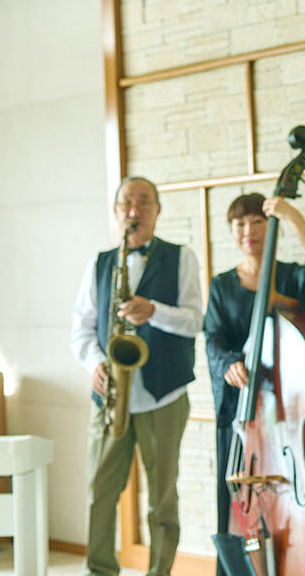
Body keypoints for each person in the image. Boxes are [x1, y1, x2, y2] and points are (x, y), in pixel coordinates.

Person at [203, 193, 305, 576]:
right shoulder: (221, 286)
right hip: (241, 415)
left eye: (257, 222)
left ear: (270, 226)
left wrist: (293, 216)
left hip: (288, 415)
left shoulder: (291, 278)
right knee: (234, 502)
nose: (248, 231)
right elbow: (213, 339)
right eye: (239, 224)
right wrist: (229, 363)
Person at [70, 176, 203, 576]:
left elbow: (196, 320)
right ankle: (100, 570)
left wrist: (155, 312)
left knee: (161, 499)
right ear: (116, 211)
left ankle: (159, 571)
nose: (135, 209)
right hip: (111, 394)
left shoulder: (182, 257)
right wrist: (95, 363)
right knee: (99, 492)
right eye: (127, 202)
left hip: (164, 395)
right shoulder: (100, 263)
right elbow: (81, 327)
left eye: (144, 202)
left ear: (157, 211)